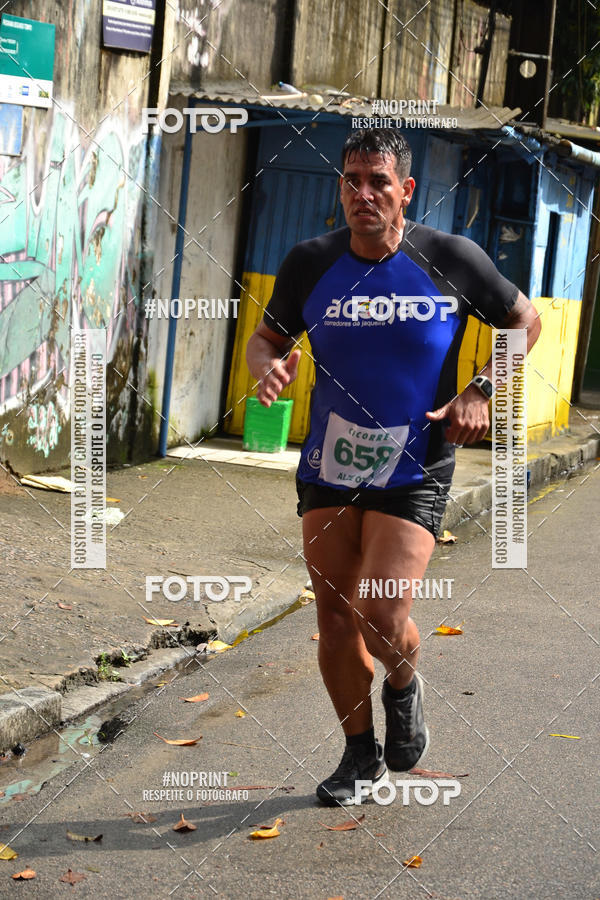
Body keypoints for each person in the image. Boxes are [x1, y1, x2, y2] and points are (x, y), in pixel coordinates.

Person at [246, 128, 540, 806]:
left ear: (406, 190)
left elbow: (524, 321)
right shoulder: (309, 263)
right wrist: (269, 371)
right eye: (352, 180)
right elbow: (267, 341)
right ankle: (359, 756)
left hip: (417, 461)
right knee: (335, 615)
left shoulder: (451, 258)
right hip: (329, 462)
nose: (364, 193)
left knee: (382, 614)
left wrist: (481, 391)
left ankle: (403, 684)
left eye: (379, 181)